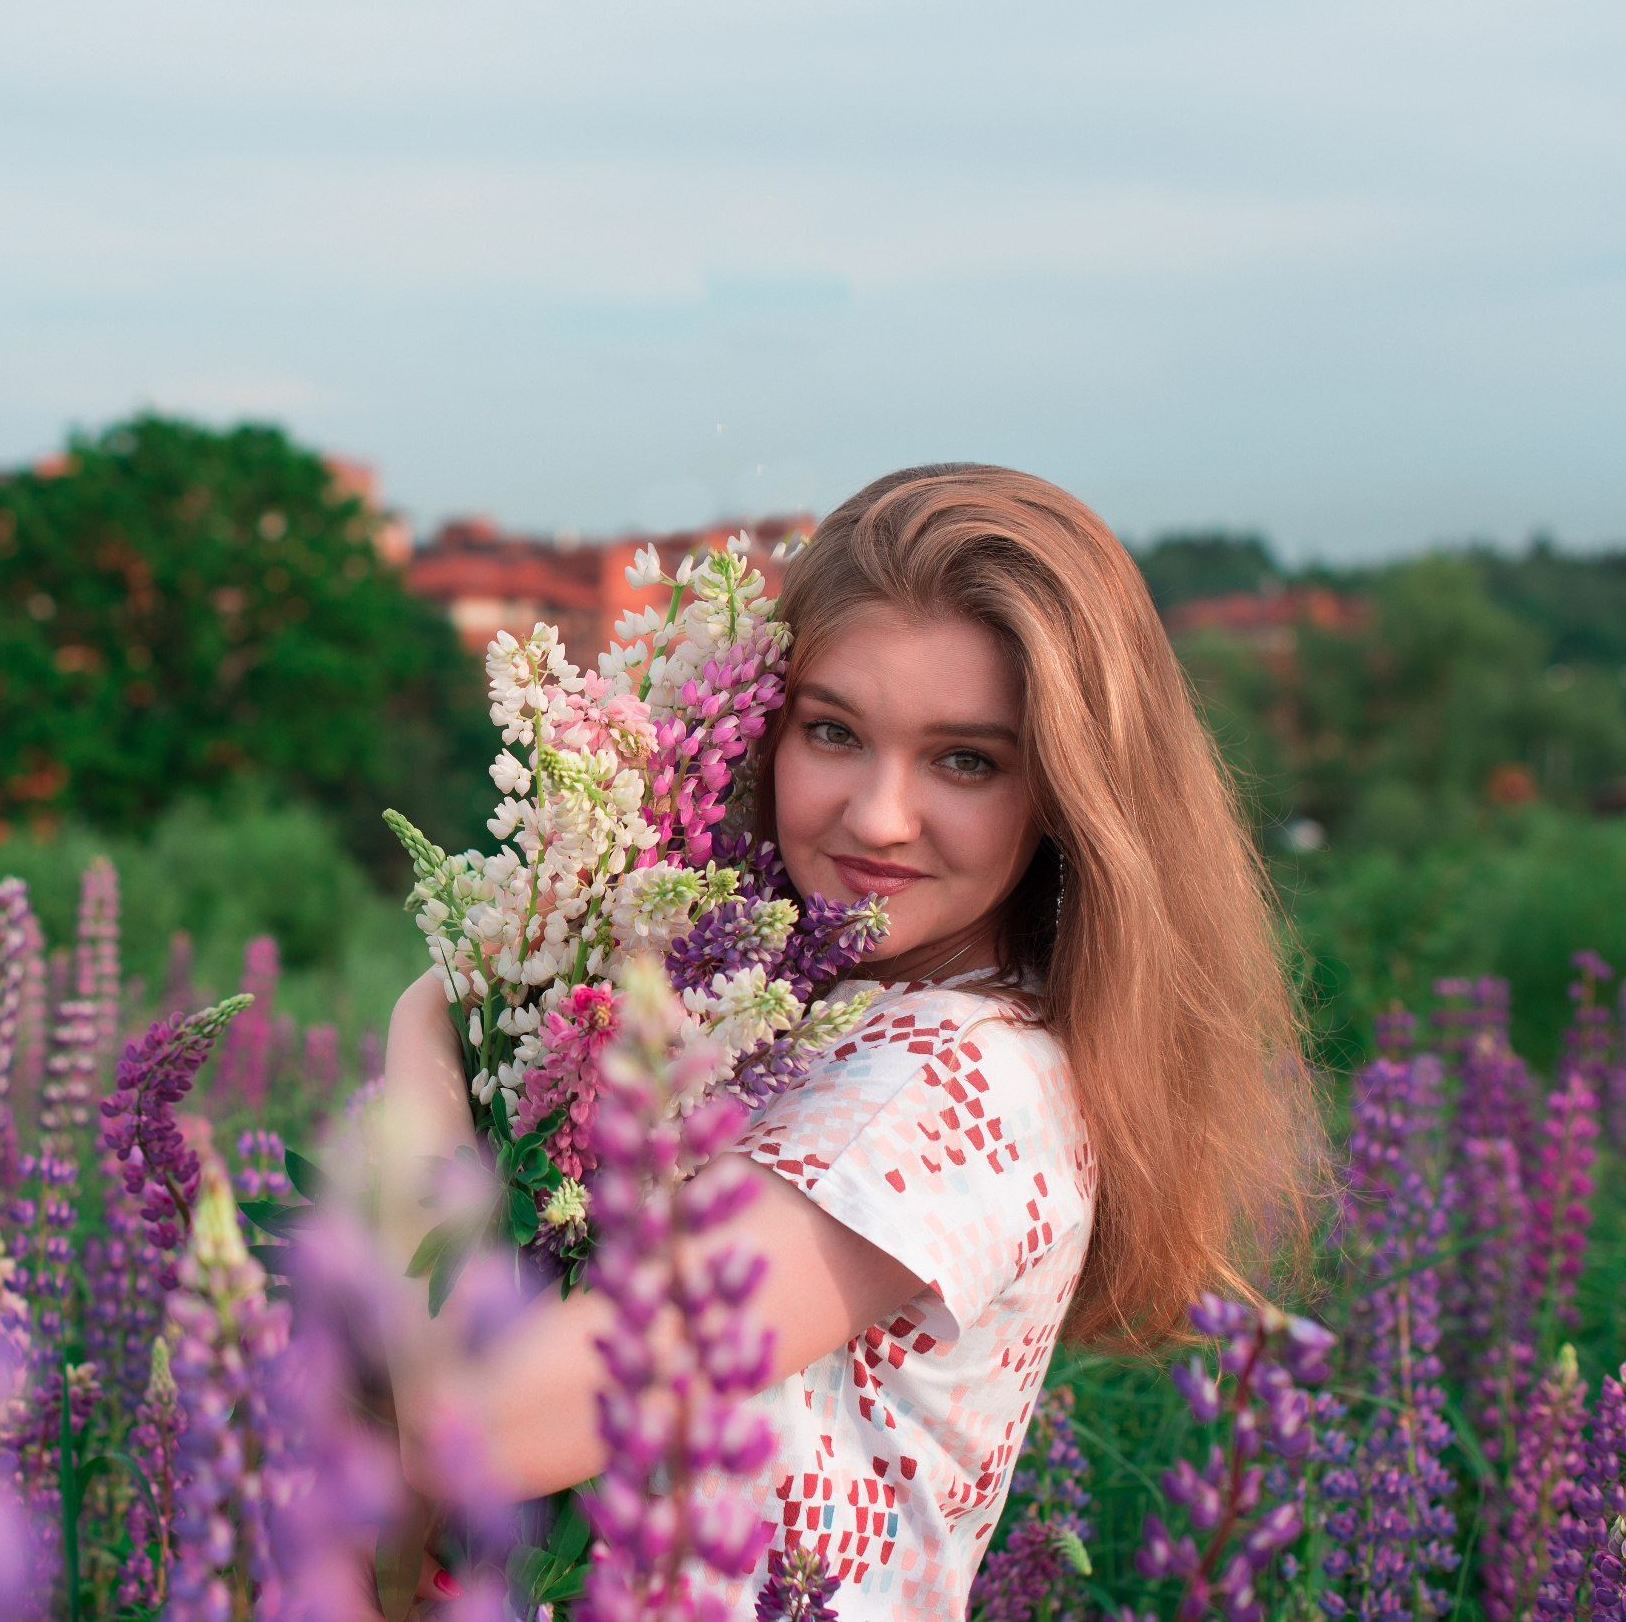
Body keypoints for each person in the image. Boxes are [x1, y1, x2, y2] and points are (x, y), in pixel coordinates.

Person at [368, 464, 1322, 1618]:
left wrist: (434, 1028)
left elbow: (481, 1425)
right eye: (833, 731)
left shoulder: (951, 1084)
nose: (876, 815)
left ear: (1067, 789)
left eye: (965, 759)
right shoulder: (796, 1003)